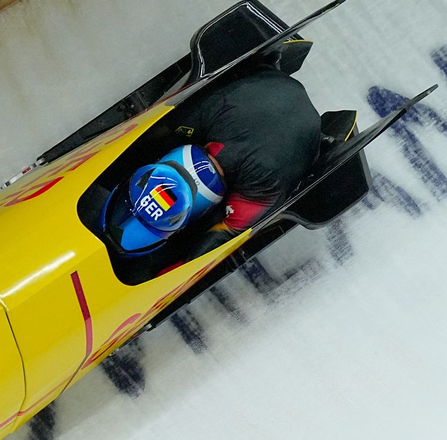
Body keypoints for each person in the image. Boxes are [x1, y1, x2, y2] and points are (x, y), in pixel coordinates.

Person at [101, 64, 323, 281]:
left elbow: (227, 233)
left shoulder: (261, 190)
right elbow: (219, 237)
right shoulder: (201, 114)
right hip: (264, 85)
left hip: (290, 115)